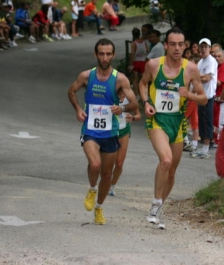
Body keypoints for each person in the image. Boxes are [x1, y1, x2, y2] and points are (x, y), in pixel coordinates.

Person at [139, 28, 207, 229]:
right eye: (173, 44)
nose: (177, 48)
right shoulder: (153, 65)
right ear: (166, 45)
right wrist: (145, 102)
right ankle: (155, 204)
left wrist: (190, 95)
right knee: (166, 160)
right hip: (157, 120)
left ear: (184, 46)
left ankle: (158, 208)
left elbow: (203, 98)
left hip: (178, 124)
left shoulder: (191, 69)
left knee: (171, 172)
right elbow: (142, 84)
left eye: (181, 44)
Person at [67, 38, 138, 225]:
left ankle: (99, 207)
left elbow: (135, 103)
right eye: (101, 53)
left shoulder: (120, 79)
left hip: (111, 132)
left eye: (108, 54)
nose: (105, 57)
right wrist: (77, 109)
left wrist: (121, 109)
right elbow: (71, 91)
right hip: (90, 129)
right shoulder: (86, 76)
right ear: (96, 54)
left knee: (107, 174)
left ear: (113, 55)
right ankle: (92, 188)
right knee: (95, 164)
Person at [109, 89, 141, 196]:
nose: (122, 92)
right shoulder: (110, 94)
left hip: (124, 131)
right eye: (120, 90)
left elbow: (138, 115)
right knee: (108, 162)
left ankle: (112, 185)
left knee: (119, 163)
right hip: (110, 130)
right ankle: (105, 182)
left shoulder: (130, 97)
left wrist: (133, 117)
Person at [190, 38, 217, 159]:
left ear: (210, 48)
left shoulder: (211, 61)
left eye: (206, 47)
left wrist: (195, 78)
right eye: (202, 46)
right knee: (202, 121)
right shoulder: (201, 62)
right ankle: (203, 147)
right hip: (200, 95)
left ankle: (206, 149)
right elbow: (200, 77)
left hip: (208, 95)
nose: (204, 49)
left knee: (207, 121)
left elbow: (207, 78)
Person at [127, 27, 148, 100]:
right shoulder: (144, 42)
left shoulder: (134, 43)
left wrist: (130, 63)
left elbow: (132, 54)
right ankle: (145, 94)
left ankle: (137, 95)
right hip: (143, 62)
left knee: (135, 80)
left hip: (136, 62)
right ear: (139, 33)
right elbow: (147, 50)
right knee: (143, 79)